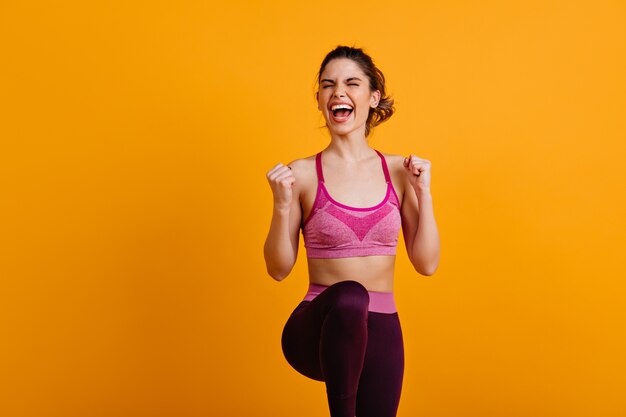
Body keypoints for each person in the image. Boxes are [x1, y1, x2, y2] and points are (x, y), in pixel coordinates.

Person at [264, 45, 440, 417]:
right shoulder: (303, 173)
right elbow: (278, 269)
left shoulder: (399, 171)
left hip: (380, 332)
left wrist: (423, 192)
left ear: (373, 97)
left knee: (362, 305)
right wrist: (282, 206)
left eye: (351, 83)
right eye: (328, 85)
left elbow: (426, 263)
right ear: (319, 100)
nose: (338, 92)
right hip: (319, 328)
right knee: (350, 297)